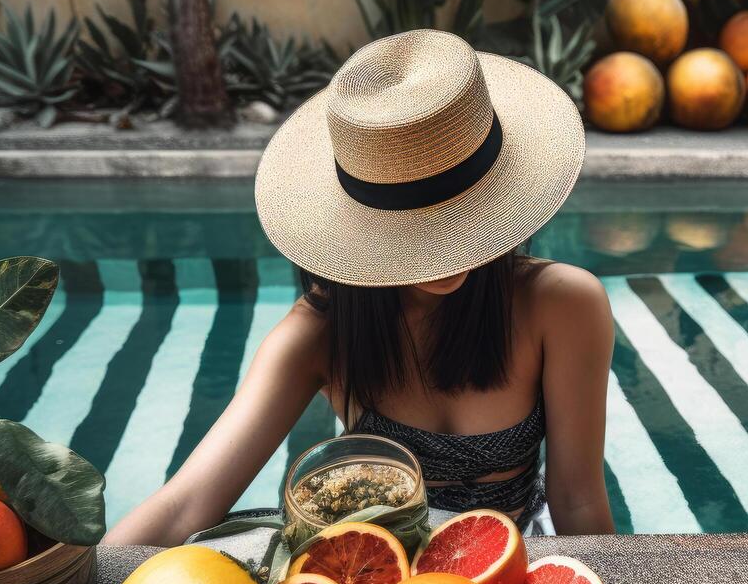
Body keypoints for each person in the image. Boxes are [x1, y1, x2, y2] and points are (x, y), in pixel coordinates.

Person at [105, 29, 615, 546]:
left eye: (454, 209)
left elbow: (578, 499)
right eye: (411, 216)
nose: (441, 239)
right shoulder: (319, 334)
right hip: (384, 582)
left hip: (520, 564)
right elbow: (186, 504)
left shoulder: (564, 304)